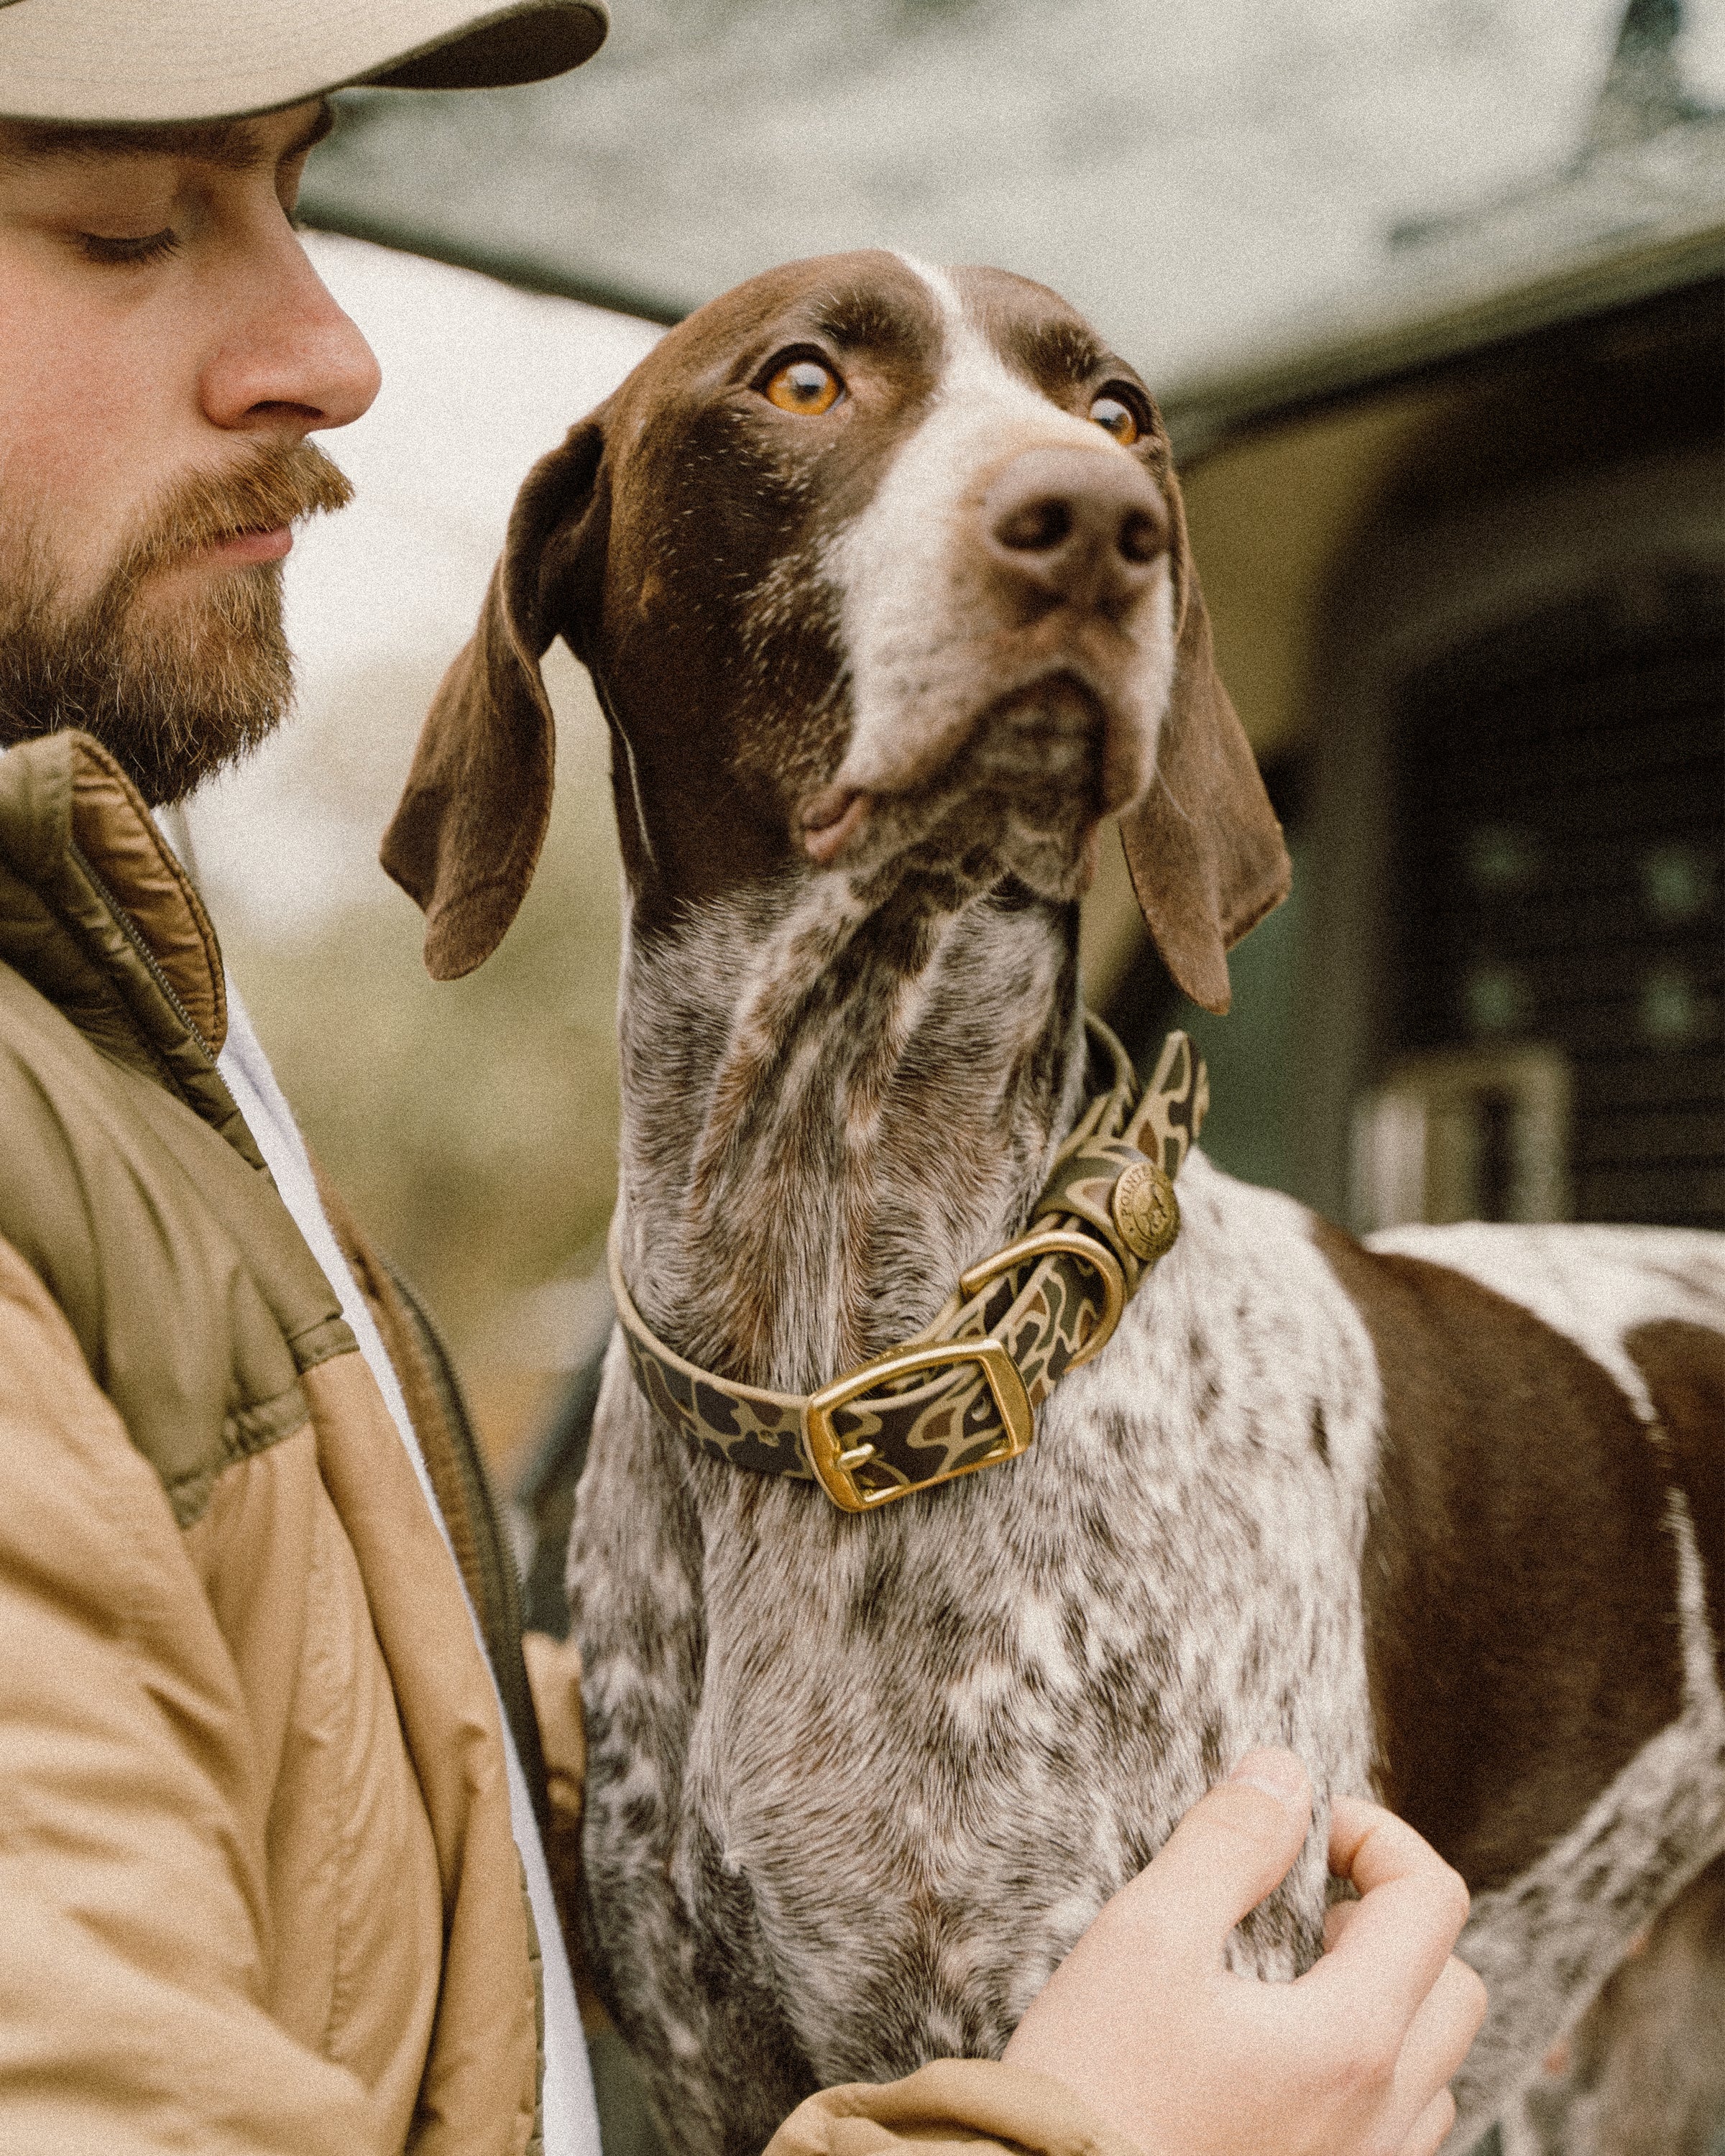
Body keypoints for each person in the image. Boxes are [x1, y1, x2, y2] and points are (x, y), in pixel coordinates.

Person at [0, 6, 1486, 2152]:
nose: (329, 346)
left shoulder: (126, 1021)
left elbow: (199, 1692)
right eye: (130, 226)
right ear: (573, 610)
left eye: (298, 193)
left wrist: (592, 1757)